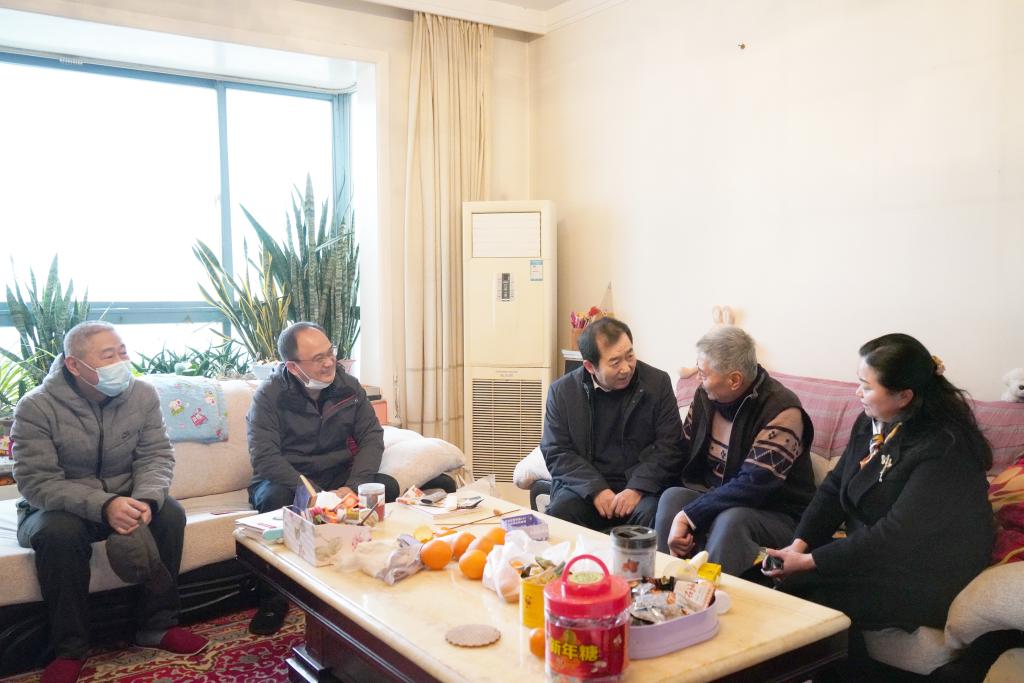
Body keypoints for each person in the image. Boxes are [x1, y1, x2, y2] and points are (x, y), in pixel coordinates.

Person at [764, 334, 994, 671]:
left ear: (904, 396)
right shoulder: (871, 422)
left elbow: (897, 535)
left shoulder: (944, 448)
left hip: (924, 573)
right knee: (762, 579)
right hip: (877, 556)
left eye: (866, 386)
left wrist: (811, 561)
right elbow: (834, 489)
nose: (857, 393)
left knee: (803, 598)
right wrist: (798, 546)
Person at [12, 322, 208, 683]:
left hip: (128, 498)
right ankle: (69, 649)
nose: (121, 361)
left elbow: (156, 456)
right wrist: (104, 505)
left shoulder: (142, 395)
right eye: (108, 356)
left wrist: (146, 500)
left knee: (170, 513)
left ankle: (158, 625)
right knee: (59, 533)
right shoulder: (36, 407)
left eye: (122, 351)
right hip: (57, 508)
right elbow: (37, 483)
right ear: (74, 365)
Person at [246, 321, 396, 634]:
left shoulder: (348, 386)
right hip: (288, 477)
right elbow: (265, 456)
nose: (329, 363)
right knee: (274, 500)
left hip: (338, 474)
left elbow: (371, 436)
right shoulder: (269, 395)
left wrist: (352, 487)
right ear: (293, 366)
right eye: (318, 359)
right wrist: (313, 494)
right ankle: (273, 599)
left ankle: (371, 568)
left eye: (330, 353)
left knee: (385, 488)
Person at [655, 325, 816, 575]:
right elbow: (682, 450)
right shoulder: (705, 396)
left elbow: (753, 485)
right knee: (672, 497)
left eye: (703, 374)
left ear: (734, 380)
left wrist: (689, 515)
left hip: (776, 511)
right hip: (719, 496)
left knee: (731, 520)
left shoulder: (782, 411)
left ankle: (715, 593)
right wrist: (640, 488)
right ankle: (665, 582)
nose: (698, 379)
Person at [540, 317, 681, 531]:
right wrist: (596, 489)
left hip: (641, 488)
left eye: (630, 356)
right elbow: (556, 450)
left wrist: (636, 488)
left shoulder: (657, 383)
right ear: (590, 366)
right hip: (586, 488)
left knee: (653, 517)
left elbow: (670, 446)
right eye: (615, 362)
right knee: (562, 511)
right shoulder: (562, 392)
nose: (626, 368)